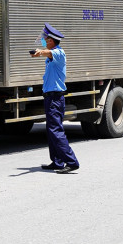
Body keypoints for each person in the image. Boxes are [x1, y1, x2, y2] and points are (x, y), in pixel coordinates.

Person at [31, 23, 80, 174]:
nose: (44, 40)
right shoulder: (52, 54)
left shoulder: (59, 53)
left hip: (55, 98)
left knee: (56, 130)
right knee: (51, 130)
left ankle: (72, 161)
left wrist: (40, 52)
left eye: (46, 38)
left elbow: (48, 53)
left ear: (52, 40)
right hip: (50, 98)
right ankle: (57, 161)